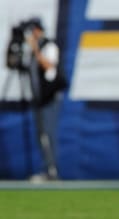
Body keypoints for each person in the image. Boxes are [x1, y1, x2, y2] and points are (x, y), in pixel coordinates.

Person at [25, 17, 66, 181]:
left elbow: (49, 66)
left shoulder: (49, 45)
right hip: (39, 97)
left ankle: (52, 169)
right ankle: (46, 168)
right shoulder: (32, 49)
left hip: (49, 98)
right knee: (41, 135)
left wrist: (35, 48)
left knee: (48, 134)